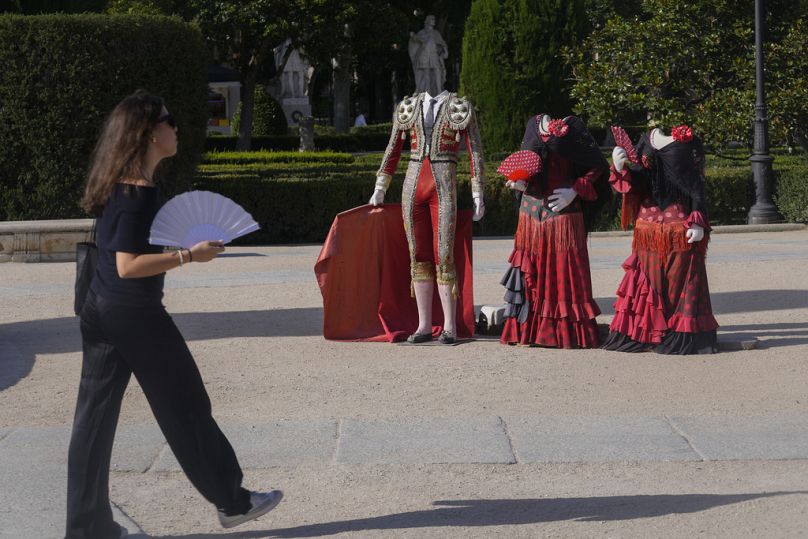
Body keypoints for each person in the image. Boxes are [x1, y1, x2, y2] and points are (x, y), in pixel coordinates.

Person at [65, 91, 282, 539]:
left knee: (94, 418)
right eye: (169, 119)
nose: (176, 127)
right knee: (186, 405)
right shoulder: (139, 193)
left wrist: (168, 251)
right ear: (148, 133)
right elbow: (128, 266)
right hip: (134, 315)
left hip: (99, 310)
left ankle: (87, 529)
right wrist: (187, 255)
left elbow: (121, 255)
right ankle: (233, 503)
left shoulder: (117, 183)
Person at [370, 90, 485, 344]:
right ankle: (423, 325)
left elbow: (475, 150)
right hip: (413, 186)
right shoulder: (407, 105)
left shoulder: (460, 106)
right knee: (418, 255)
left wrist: (478, 192)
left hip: (443, 185)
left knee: (443, 254)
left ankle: (449, 326)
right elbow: (393, 148)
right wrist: (381, 186)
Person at [603, 125, 719, 354]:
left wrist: (698, 219)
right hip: (648, 226)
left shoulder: (689, 143)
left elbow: (696, 183)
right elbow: (639, 179)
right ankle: (648, 333)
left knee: (682, 280)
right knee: (648, 279)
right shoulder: (646, 140)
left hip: (680, 224)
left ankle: (682, 332)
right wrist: (619, 168)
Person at [500, 114, 609, 348]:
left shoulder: (575, 126)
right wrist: (519, 183)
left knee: (563, 270)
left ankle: (564, 333)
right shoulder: (532, 124)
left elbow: (598, 165)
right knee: (531, 273)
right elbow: (527, 163)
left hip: (563, 212)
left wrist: (576, 189)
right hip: (530, 213)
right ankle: (527, 331)